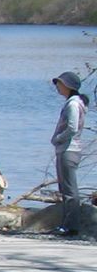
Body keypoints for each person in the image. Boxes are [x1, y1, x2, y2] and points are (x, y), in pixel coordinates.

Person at [50, 70, 88, 236]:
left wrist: (58, 138)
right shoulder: (73, 102)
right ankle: (67, 224)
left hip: (68, 149)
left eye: (59, 83)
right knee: (65, 188)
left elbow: (72, 127)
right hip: (67, 149)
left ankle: (71, 226)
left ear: (68, 85)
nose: (57, 86)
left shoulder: (73, 104)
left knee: (69, 190)